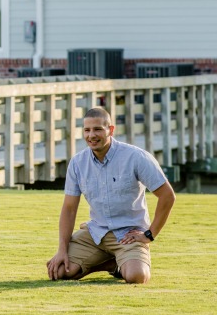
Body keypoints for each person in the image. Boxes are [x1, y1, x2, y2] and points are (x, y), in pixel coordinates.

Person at [46, 106, 175, 285]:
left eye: (98, 129)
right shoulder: (77, 163)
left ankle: (121, 263)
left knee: (137, 276)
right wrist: (61, 250)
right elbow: (69, 209)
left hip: (129, 234)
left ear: (111, 130)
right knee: (59, 271)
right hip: (95, 234)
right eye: (87, 130)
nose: (92, 135)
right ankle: (112, 263)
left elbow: (167, 196)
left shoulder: (136, 157)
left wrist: (149, 234)